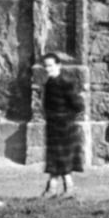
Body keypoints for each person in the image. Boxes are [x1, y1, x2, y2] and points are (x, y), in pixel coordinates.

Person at [40, 51, 83, 198]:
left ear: (58, 65)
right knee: (55, 157)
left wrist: (66, 117)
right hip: (52, 126)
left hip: (65, 127)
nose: (48, 69)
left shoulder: (66, 82)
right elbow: (46, 105)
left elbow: (78, 105)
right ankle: (60, 188)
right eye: (46, 66)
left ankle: (56, 189)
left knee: (60, 157)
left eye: (51, 66)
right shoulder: (49, 83)